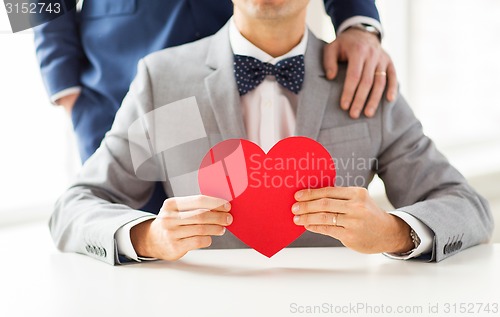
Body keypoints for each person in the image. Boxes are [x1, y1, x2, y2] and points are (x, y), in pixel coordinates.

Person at [50, 0, 493, 265]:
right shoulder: (161, 83)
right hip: (119, 84)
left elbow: (466, 207)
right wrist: (59, 77)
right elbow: (77, 208)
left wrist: (359, 23)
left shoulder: (359, 89)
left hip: (299, 56)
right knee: (144, 247)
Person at [34, 0, 396, 162]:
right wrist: (65, 89)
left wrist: (357, 22)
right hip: (115, 95)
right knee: (132, 245)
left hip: (246, 89)